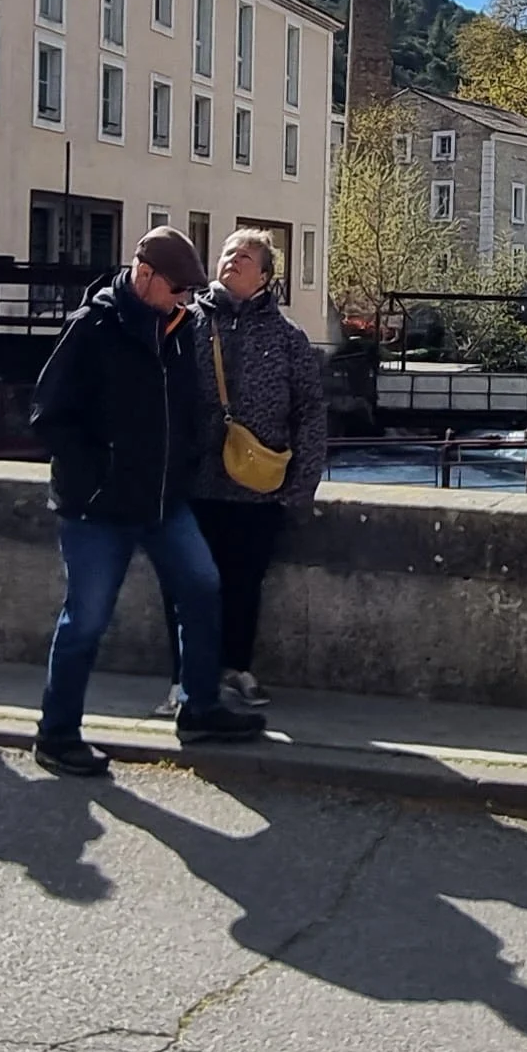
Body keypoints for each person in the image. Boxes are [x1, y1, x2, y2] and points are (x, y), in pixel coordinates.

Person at [25, 225, 258, 776]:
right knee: (86, 618)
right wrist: (98, 476)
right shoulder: (92, 327)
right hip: (98, 508)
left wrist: (182, 462)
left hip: (162, 500)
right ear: (144, 275)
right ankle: (56, 734)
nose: (186, 298)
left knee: (202, 588)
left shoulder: (178, 327)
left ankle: (198, 707)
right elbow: (48, 416)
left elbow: (183, 409)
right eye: (177, 287)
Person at [191, 228, 328, 714]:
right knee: (192, 583)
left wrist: (301, 488)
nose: (232, 261)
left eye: (245, 257)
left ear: (266, 275)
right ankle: (191, 677)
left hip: (259, 488)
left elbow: (310, 412)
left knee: (245, 584)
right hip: (196, 484)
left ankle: (237, 668)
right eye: (228, 253)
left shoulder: (287, 337)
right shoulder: (188, 324)